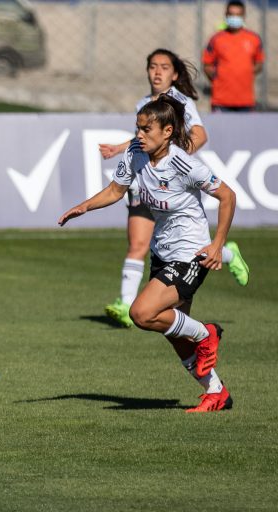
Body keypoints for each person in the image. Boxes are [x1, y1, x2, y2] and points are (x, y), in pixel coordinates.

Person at [59, 95, 236, 413]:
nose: (139, 135)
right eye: (137, 128)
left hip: (191, 252)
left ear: (167, 131)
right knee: (174, 333)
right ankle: (216, 393)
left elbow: (227, 196)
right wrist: (84, 206)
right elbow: (115, 190)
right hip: (163, 252)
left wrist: (217, 245)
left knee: (141, 314)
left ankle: (207, 332)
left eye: (146, 129)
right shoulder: (135, 154)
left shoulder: (184, 164)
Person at [98, 48, 249, 328]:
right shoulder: (144, 102)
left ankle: (225, 253)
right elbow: (141, 140)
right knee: (137, 243)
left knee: (181, 296)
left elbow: (200, 135)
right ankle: (125, 303)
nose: (157, 72)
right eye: (152, 66)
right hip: (143, 178)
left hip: (170, 184)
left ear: (175, 73)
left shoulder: (180, 102)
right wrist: (121, 149)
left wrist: (171, 158)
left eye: (164, 67)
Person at [202, 0, 264, 111]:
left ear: (244, 16)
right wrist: (218, 77)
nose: (234, 18)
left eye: (238, 15)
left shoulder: (254, 38)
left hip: (246, 101)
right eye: (231, 14)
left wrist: (246, 72)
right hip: (220, 101)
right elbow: (207, 64)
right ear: (226, 15)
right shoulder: (216, 39)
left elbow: (259, 63)